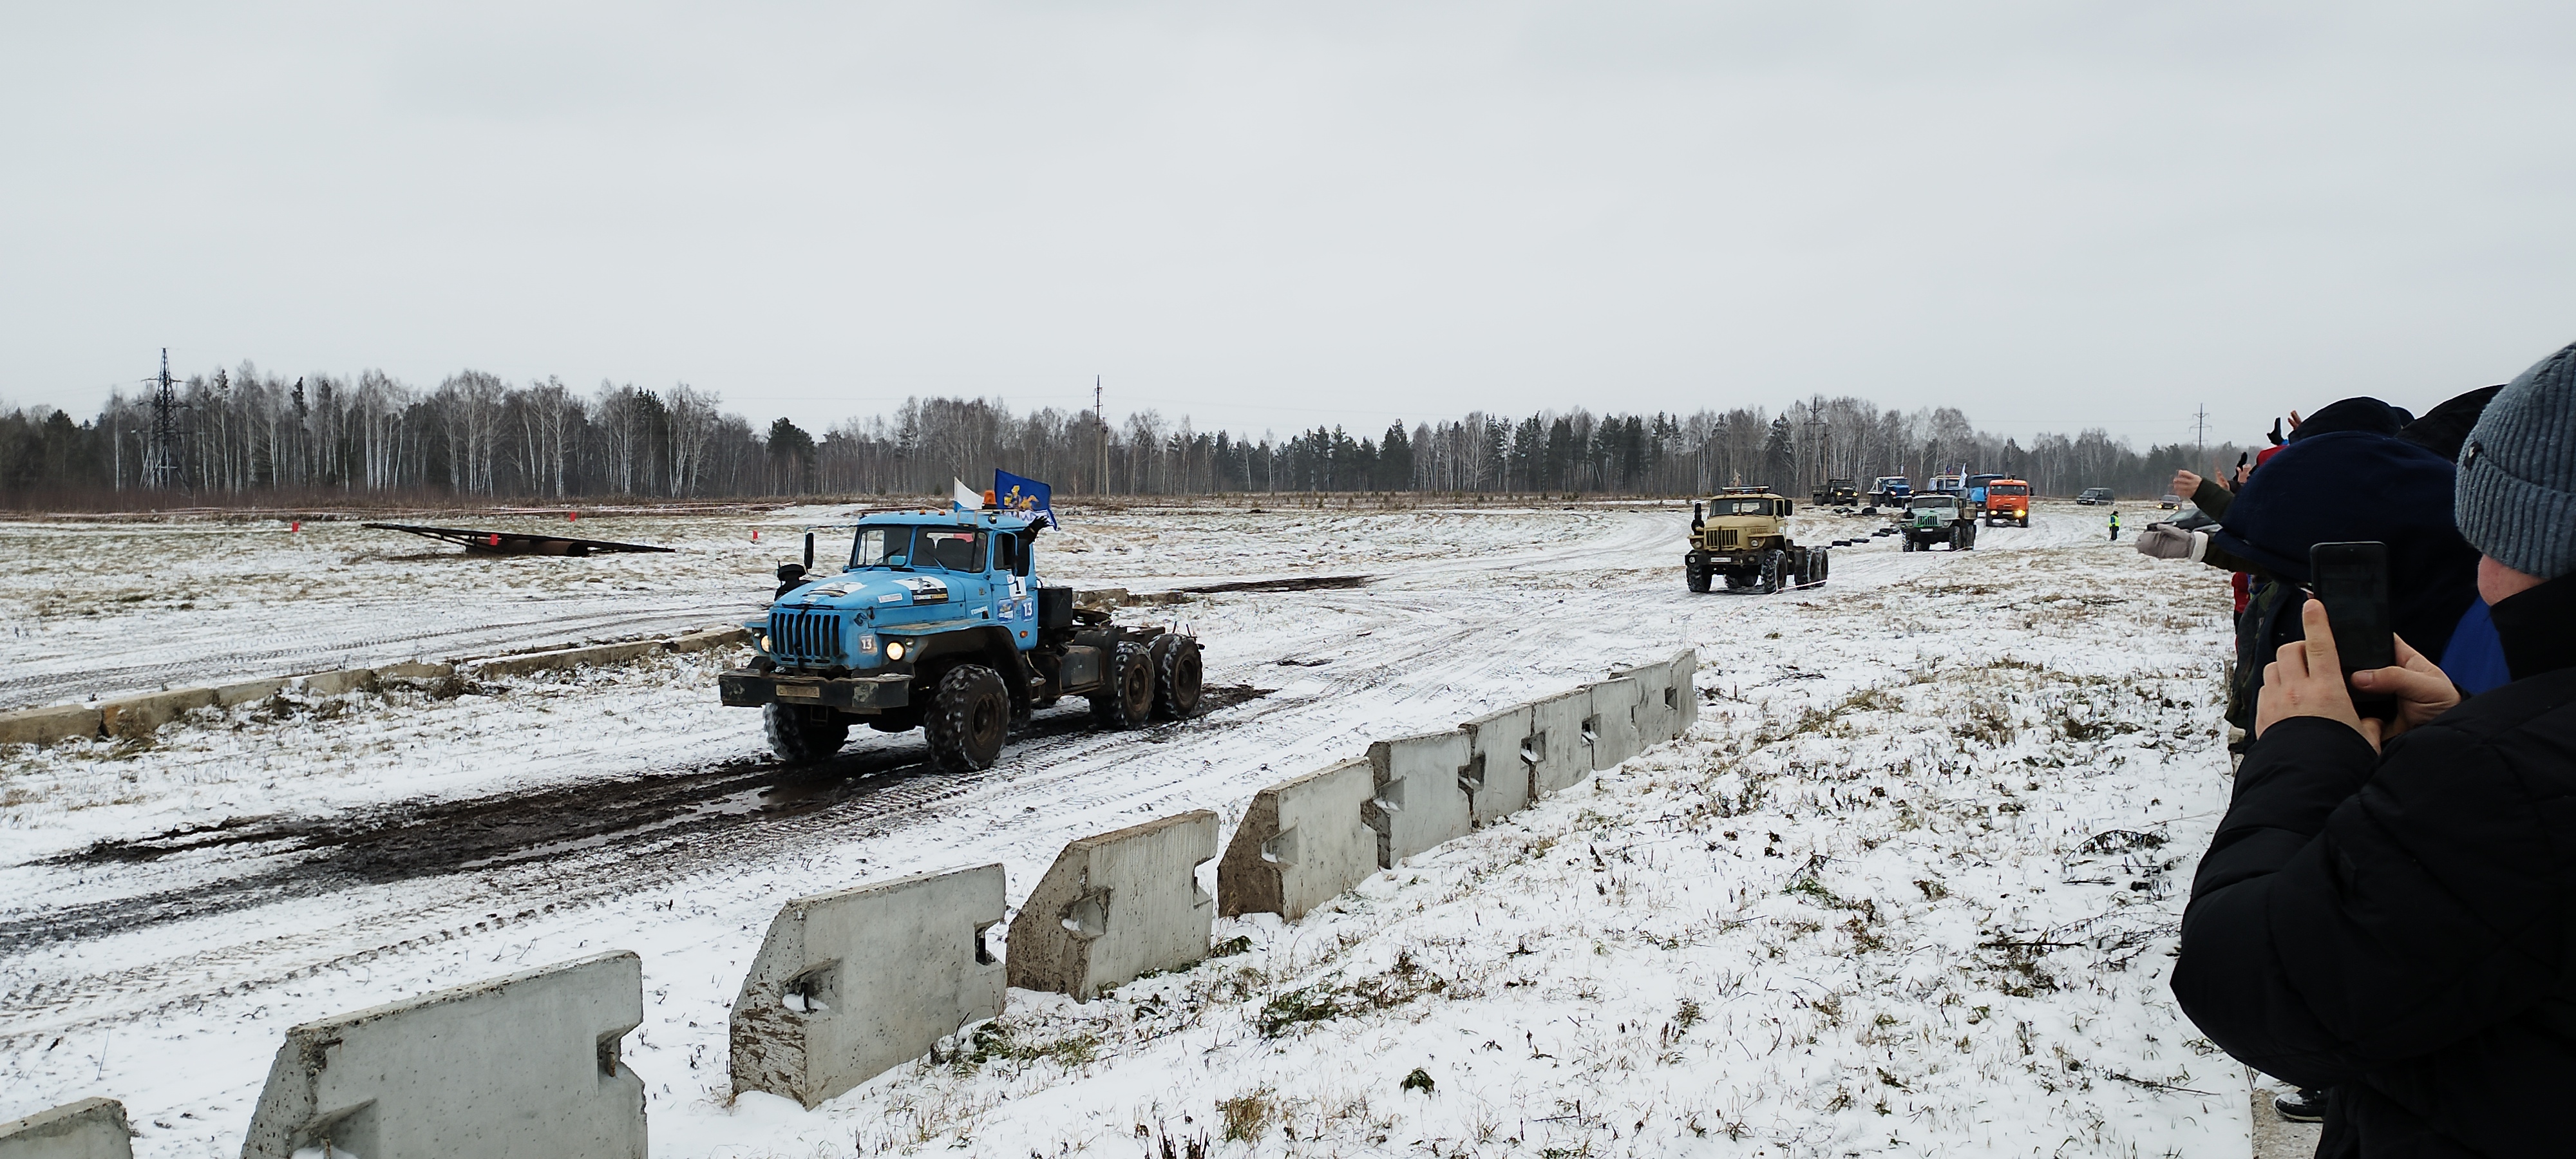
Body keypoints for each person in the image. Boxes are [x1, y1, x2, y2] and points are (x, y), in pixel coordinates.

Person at [2172, 339, 2576, 1158]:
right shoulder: (2525, 758)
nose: (2480, 573)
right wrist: (2470, 721)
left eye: (2488, 543)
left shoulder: (2508, 775)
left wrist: (2302, 751)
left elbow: (2246, 978)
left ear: (2543, 542)